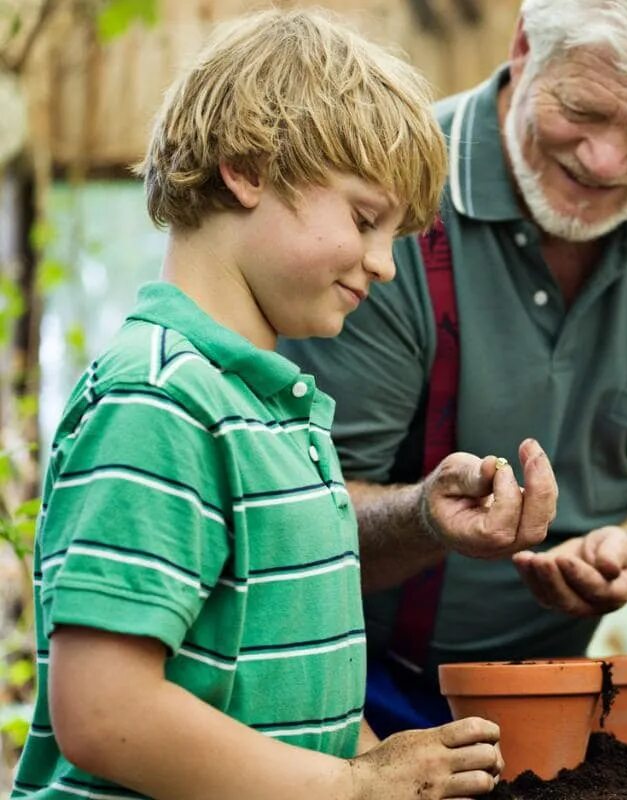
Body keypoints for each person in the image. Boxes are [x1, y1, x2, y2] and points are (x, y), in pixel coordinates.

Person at [12, 9, 557, 799]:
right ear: (247, 168)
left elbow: (303, 704)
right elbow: (105, 714)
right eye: (366, 220)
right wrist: (358, 787)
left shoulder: (275, 412)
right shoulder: (158, 401)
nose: (385, 267)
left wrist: (387, 765)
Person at [279, 0, 627, 735]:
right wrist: (426, 518)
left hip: (558, 699)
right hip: (336, 683)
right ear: (523, 47)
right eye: (582, 109)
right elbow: (297, 512)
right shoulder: (392, 199)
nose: (604, 161)